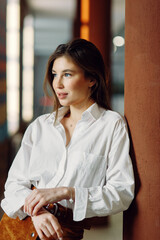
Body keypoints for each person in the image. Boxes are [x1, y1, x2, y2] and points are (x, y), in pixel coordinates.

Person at [1, 38, 134, 240]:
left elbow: (121, 193)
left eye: (67, 74)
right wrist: (37, 213)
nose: (58, 84)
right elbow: (14, 184)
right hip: (17, 226)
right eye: (55, 75)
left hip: (63, 232)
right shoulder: (40, 126)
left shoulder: (111, 125)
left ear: (92, 79)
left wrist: (66, 192)